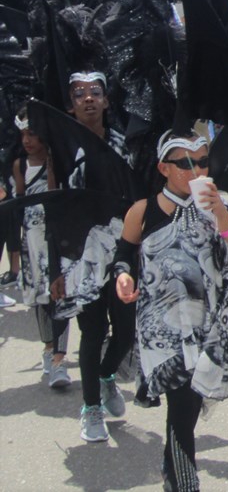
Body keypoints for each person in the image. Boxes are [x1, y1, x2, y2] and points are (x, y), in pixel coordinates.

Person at [113, 132, 228, 491]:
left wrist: (219, 214)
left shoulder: (218, 207)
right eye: (185, 163)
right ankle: (185, 483)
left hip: (207, 328)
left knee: (189, 409)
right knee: (182, 410)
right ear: (163, 167)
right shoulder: (143, 210)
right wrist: (123, 275)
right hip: (163, 334)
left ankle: (172, 470)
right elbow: (123, 253)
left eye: (202, 161)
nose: (196, 169)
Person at [49, 71, 136, 442]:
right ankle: (91, 408)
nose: (88, 99)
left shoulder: (123, 144)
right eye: (80, 94)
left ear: (105, 101)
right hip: (82, 257)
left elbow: (136, 200)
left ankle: (105, 376)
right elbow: (55, 211)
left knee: (126, 332)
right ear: (71, 104)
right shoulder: (63, 150)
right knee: (93, 331)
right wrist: (57, 269)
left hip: (122, 251)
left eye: (95, 93)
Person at [11, 106, 71, 386]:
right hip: (32, 240)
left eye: (33, 134)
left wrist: (51, 166)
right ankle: (48, 348)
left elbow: (54, 196)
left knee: (59, 295)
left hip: (55, 237)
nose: (27, 140)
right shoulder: (19, 165)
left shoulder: (55, 162)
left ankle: (60, 359)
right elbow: (19, 202)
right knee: (41, 298)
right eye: (23, 134)